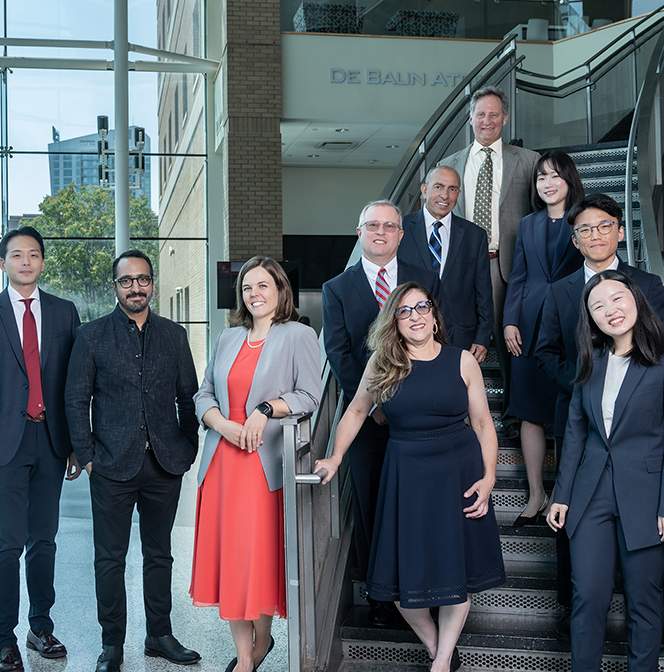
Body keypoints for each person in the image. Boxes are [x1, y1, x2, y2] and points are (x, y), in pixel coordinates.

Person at [314, 282, 506, 672]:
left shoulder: (462, 361)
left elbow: (484, 424)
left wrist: (489, 478)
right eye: (404, 311)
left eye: (422, 307)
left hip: (459, 471)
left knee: (459, 576)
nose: (415, 315)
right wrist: (334, 458)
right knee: (398, 584)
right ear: (394, 323)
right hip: (407, 475)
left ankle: (441, 663)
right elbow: (354, 412)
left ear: (434, 317)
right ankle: (439, 648)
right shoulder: (383, 362)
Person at [533, 192, 664, 637]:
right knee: (576, 518)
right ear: (576, 240)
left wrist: (633, 372)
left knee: (639, 548)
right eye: (585, 229)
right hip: (581, 420)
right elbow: (544, 350)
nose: (595, 235)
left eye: (604, 226)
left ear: (620, 231)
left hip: (642, 423)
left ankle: (644, 613)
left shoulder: (646, 284)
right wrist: (587, 380)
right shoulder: (560, 290)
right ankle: (574, 606)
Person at [546, 270, 664, 672]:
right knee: (588, 597)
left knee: (643, 603)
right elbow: (576, 433)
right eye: (597, 306)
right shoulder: (590, 360)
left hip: (648, 498)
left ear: (635, 300)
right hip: (590, 494)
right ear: (590, 318)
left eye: (617, 299)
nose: (609, 310)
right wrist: (561, 495)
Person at [65, 249, 202, 672]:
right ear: (115, 287)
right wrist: (88, 456)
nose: (135, 287)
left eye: (143, 279)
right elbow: (75, 399)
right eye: (127, 281)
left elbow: (188, 397)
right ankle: (112, 645)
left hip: (164, 464)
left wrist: (186, 446)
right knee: (110, 558)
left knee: (160, 554)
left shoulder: (174, 336)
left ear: (152, 285)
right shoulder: (91, 336)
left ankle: (159, 635)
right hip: (111, 466)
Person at [192, 257, 321, 672]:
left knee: (256, 557)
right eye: (248, 287)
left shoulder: (298, 334)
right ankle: (246, 658)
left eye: (264, 286)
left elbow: (309, 396)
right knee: (229, 558)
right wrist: (223, 426)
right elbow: (204, 394)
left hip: (261, 466)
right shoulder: (228, 337)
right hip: (221, 463)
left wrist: (266, 408)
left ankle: (262, 640)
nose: (255, 294)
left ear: (280, 290)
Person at [0, 226, 83, 672]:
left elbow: (75, 386)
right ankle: (3, 637)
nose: (26, 261)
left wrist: (74, 445)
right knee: (6, 544)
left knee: (45, 541)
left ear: (42, 262)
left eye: (34, 254)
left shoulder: (64, 312)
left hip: (51, 442)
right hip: (4, 446)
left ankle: (40, 626)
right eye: (17, 255)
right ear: (3, 263)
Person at [323, 199, 442, 627]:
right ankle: (380, 596)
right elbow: (339, 353)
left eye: (389, 226)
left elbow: (439, 342)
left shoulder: (425, 280)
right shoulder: (337, 288)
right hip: (369, 423)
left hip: (424, 422)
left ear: (401, 234)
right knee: (374, 510)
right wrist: (375, 404)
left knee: (423, 509)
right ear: (360, 233)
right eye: (371, 225)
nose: (380, 232)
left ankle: (427, 589)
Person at [439, 86, 540, 417]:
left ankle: (514, 413)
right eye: (480, 114)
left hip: (505, 266)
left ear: (505, 118)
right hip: (460, 268)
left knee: (513, 345)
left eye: (494, 114)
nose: (487, 120)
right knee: (455, 344)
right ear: (470, 119)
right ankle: (457, 413)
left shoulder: (528, 161)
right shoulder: (449, 164)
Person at [502, 150, 586, 526]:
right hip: (528, 323)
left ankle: (562, 493)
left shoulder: (583, 222)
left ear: (569, 180)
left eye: (555, 176)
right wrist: (509, 322)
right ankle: (536, 493)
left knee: (566, 411)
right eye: (541, 178)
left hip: (572, 326)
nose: (547, 184)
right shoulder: (528, 224)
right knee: (530, 414)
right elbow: (518, 276)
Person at [398, 166, 494, 362]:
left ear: (458, 194)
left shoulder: (475, 235)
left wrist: (483, 338)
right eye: (438, 187)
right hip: (409, 334)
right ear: (424, 190)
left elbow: (483, 291)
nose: (445, 195)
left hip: (459, 337)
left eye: (452, 189)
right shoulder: (400, 229)